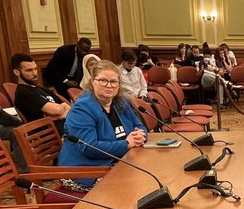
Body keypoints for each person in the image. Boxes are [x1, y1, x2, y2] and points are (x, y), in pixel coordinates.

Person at [57, 59, 148, 187]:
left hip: (120, 161)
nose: (109, 85)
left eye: (113, 82)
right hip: (86, 170)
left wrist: (140, 135)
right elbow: (89, 147)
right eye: (103, 81)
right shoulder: (82, 109)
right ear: (93, 81)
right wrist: (126, 144)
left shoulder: (121, 101)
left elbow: (139, 125)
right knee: (136, 184)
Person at [11, 53, 72, 133]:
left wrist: (58, 113)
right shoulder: (23, 93)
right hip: (51, 133)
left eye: (35, 69)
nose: (35, 73)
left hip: (66, 126)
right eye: (29, 70)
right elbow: (56, 110)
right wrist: (59, 111)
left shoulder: (40, 88)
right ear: (17, 72)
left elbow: (68, 108)